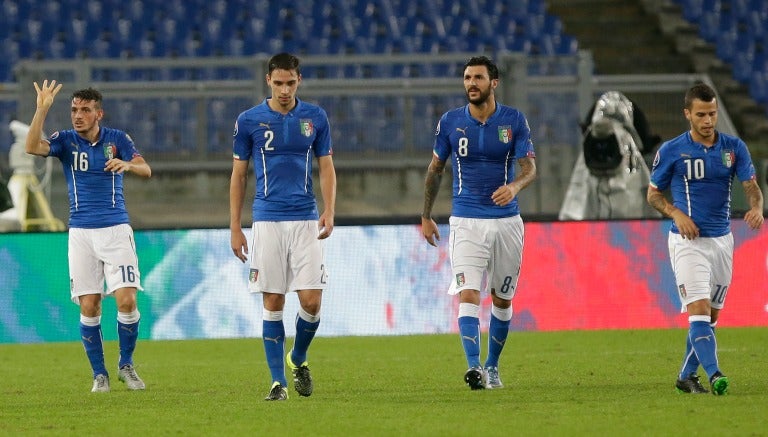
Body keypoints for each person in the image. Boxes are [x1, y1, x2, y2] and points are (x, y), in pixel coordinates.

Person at [25, 81, 152, 392]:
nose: (77, 116)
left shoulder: (118, 139)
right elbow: (32, 147)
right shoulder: (65, 141)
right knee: (90, 305)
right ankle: (100, 374)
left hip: (115, 229)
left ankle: (126, 364)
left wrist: (128, 165)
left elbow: (146, 169)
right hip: (81, 233)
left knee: (126, 299)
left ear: (99, 114)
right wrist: (42, 109)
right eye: (73, 110)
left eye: (84, 110)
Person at [421, 56, 537, 390]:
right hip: (466, 221)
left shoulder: (514, 120)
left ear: (493, 83)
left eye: (479, 78)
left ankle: (492, 366)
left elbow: (529, 168)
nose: (472, 83)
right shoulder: (450, 122)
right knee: (468, 292)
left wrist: (514, 186)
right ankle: (474, 368)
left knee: (502, 299)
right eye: (468, 78)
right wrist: (427, 214)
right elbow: (435, 169)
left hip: (506, 222)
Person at [229, 53, 336, 401]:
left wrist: (330, 209)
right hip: (267, 220)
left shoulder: (315, 117)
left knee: (312, 300)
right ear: (268, 82)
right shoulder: (249, 120)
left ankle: (298, 358)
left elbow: (327, 166)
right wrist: (235, 226)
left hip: (305, 218)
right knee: (273, 300)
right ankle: (278, 383)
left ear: (299, 80)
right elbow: (239, 175)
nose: (285, 89)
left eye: (290, 83)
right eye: (278, 83)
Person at [647, 82, 764, 395]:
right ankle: (715, 375)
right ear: (688, 114)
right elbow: (653, 194)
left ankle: (686, 376)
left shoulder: (733, 148)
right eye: (701, 114)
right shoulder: (672, 151)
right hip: (688, 243)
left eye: (712, 113)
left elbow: (752, 187)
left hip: (722, 242)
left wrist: (756, 207)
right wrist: (677, 214)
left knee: (710, 316)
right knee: (697, 309)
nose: (708, 120)